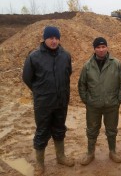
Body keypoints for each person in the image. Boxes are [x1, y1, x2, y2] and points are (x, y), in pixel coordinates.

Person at [22, 26, 74, 175]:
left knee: (59, 128)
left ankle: (61, 156)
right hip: (43, 103)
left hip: (61, 101)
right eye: (51, 38)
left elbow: (67, 73)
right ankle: (39, 163)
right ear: (45, 38)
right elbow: (27, 78)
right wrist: (40, 92)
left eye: (56, 38)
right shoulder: (34, 56)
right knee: (42, 131)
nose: (54, 41)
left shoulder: (65, 55)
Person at [78, 37, 121, 165]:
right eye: (98, 47)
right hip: (93, 105)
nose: (101, 50)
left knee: (112, 130)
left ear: (107, 47)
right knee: (92, 130)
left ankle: (112, 152)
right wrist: (87, 100)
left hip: (111, 104)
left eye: (103, 47)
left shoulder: (116, 64)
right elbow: (82, 85)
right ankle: (90, 153)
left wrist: (118, 100)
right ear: (94, 49)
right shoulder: (87, 66)